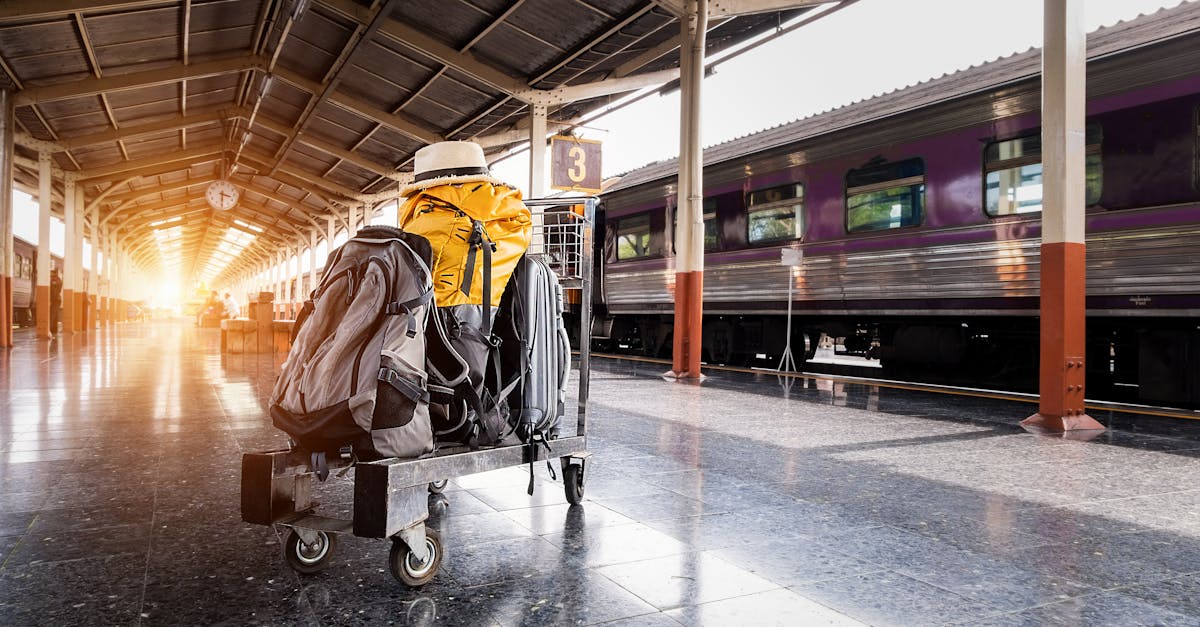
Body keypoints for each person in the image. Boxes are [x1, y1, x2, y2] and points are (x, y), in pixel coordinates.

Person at [49, 268, 62, 337]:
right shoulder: (58, 279)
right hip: (57, 299)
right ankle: (54, 330)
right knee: (55, 315)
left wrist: (51, 300)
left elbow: (55, 291)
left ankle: (50, 330)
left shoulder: (55, 280)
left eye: (51, 273)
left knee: (52, 315)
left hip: (55, 300)